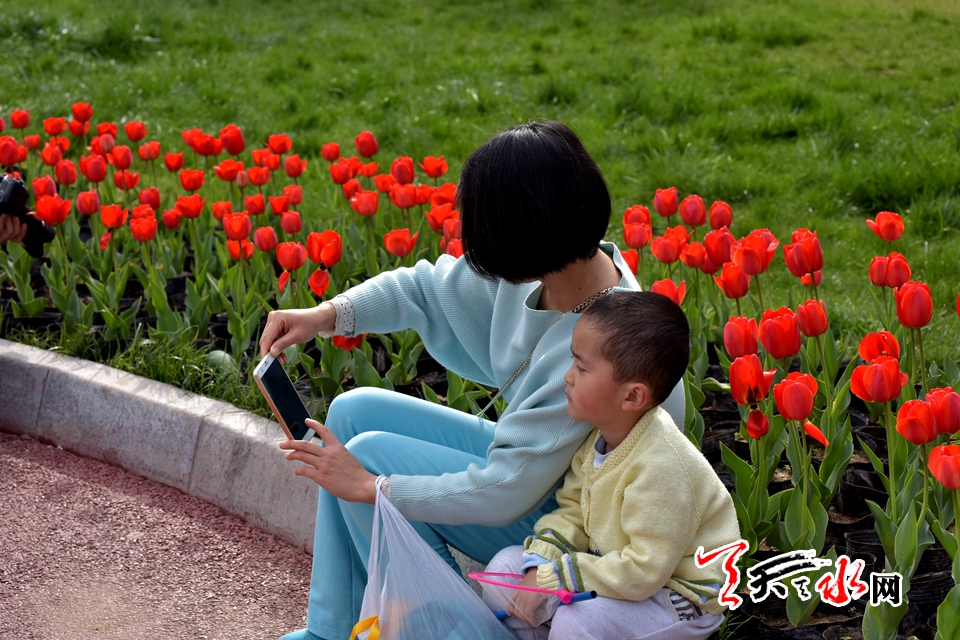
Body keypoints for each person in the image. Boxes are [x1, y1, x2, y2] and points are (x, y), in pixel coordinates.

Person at [260, 121, 686, 640]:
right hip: (539, 477)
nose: (474, 245)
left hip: (581, 530)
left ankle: (443, 628)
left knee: (367, 457)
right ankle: (332, 629)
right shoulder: (554, 270)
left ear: (527, 231)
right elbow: (423, 287)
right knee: (354, 411)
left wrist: (372, 487)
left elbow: (502, 493)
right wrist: (324, 315)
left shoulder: (606, 349)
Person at [483, 291, 740, 640]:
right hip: (615, 573)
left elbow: (644, 571)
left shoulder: (662, 468)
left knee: (578, 619)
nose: (568, 377)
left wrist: (556, 577)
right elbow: (573, 512)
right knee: (503, 573)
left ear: (632, 396)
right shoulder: (599, 440)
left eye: (581, 367)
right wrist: (540, 566)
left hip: (677, 596)